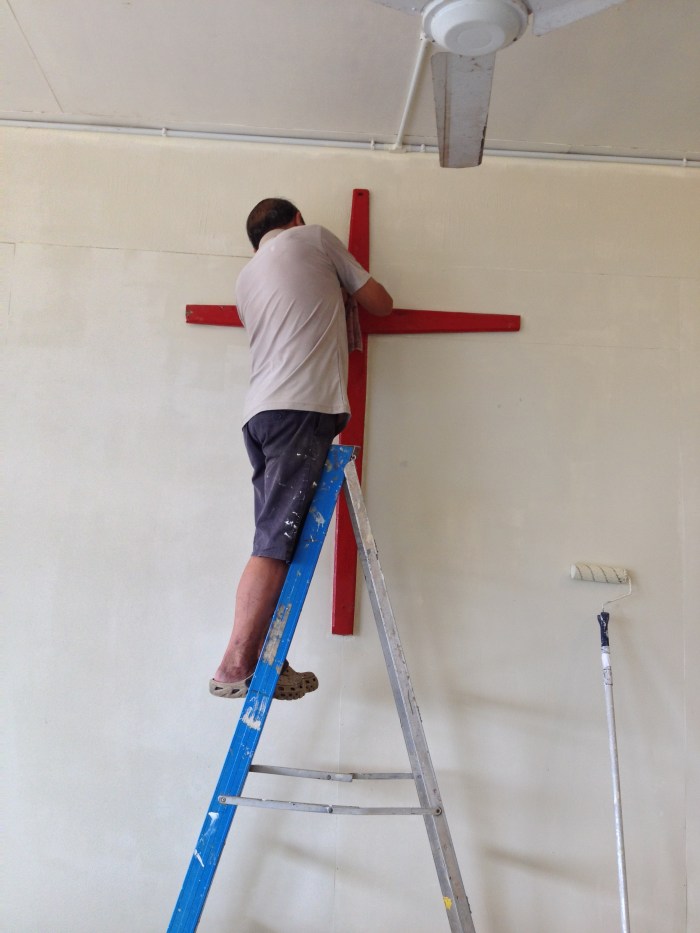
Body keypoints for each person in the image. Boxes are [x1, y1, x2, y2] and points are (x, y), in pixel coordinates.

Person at [209, 198, 393, 701]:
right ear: (295, 220)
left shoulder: (247, 278)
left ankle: (270, 658)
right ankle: (234, 666)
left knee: (273, 538)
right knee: (274, 543)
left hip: (262, 414)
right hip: (301, 409)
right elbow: (381, 302)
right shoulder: (313, 239)